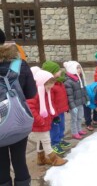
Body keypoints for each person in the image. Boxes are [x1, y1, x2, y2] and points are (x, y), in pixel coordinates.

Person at [0, 44, 36, 186]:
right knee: (19, 159)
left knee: (1, 164)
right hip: (19, 120)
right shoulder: (20, 64)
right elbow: (31, 93)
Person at [27, 67, 67, 166]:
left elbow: (50, 105)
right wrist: (40, 120)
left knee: (40, 141)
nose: (51, 87)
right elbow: (31, 108)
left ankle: (41, 159)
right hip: (39, 122)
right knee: (46, 140)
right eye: (49, 85)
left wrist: (54, 116)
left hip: (45, 121)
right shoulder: (34, 93)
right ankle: (54, 159)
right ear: (42, 83)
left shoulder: (46, 92)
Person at [42, 61, 71, 155]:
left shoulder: (60, 82)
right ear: (52, 73)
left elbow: (63, 96)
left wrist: (66, 106)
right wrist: (53, 114)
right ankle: (55, 143)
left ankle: (60, 139)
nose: (60, 71)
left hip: (61, 109)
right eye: (57, 70)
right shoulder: (51, 86)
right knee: (55, 127)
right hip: (55, 112)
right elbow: (51, 101)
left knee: (62, 126)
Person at [64, 61, 88, 140]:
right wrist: (72, 106)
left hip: (80, 102)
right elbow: (69, 96)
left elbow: (84, 90)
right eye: (77, 68)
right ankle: (74, 132)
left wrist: (86, 99)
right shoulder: (68, 81)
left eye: (79, 67)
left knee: (80, 117)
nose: (79, 69)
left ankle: (79, 129)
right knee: (74, 119)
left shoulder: (80, 78)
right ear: (72, 69)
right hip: (74, 104)